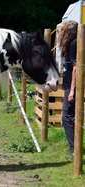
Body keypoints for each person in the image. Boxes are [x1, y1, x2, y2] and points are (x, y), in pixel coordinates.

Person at [58, 20, 78, 159]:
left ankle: (74, 149)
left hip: (72, 87)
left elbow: (76, 69)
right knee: (70, 116)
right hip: (69, 86)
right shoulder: (73, 44)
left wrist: (72, 90)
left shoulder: (73, 44)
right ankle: (74, 148)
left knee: (67, 116)